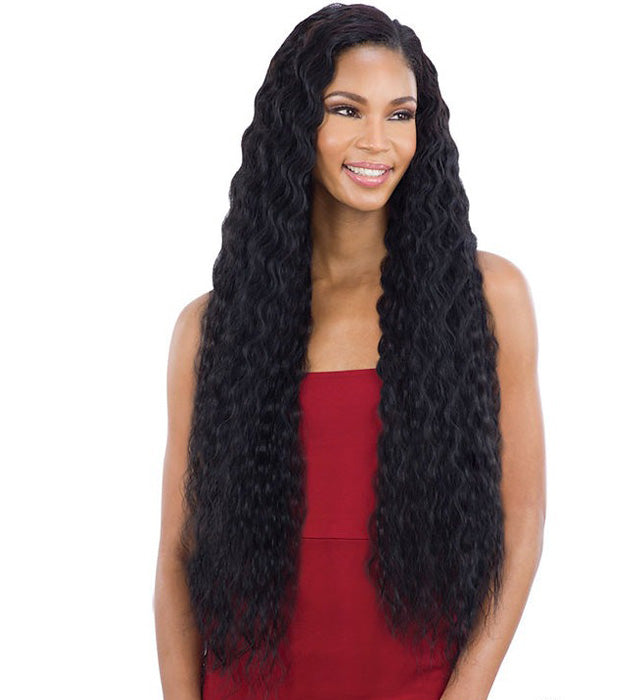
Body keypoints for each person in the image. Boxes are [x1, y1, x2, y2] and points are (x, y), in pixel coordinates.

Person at [153, 4, 546, 700]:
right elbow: (179, 560)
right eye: (345, 109)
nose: (377, 141)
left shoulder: (486, 297)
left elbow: (521, 529)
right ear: (296, 122)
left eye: (401, 114)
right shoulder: (210, 328)